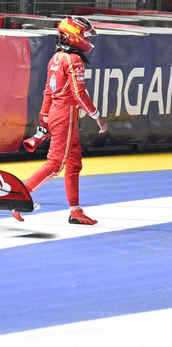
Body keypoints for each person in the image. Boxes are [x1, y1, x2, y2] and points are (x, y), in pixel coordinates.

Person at [15, 16, 108, 225]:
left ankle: (75, 211)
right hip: (66, 117)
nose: (85, 38)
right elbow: (79, 93)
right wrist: (98, 117)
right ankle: (19, 195)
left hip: (60, 116)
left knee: (74, 164)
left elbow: (48, 92)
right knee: (56, 165)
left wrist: (44, 120)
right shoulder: (73, 60)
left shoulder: (56, 58)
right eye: (83, 34)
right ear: (73, 36)